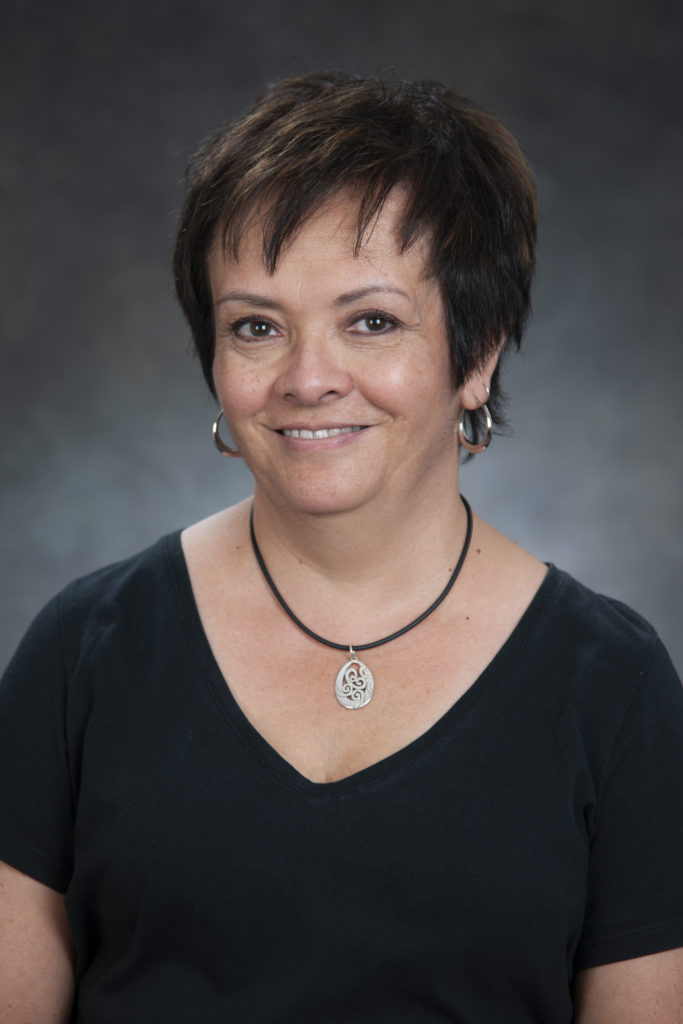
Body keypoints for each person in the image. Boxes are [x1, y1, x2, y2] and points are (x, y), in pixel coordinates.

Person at [1, 71, 682, 1024]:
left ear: (477, 352)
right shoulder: (83, 652)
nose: (307, 378)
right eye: (256, 327)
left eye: (371, 322)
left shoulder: (615, 687)